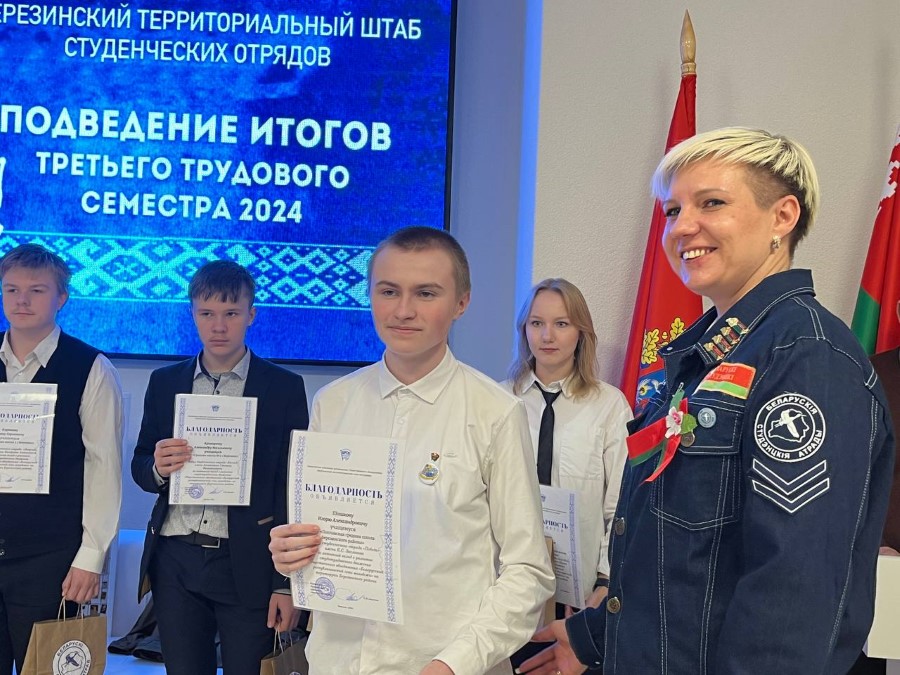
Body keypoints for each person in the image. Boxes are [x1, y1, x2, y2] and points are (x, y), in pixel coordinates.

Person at [520, 127, 895, 674]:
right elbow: (684, 557)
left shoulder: (807, 358)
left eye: (711, 203)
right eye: (673, 210)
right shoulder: (706, 358)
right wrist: (593, 637)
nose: (681, 227)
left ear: (782, 216)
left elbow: (793, 593)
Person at [269, 226, 555, 674]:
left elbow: (528, 570)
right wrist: (292, 554)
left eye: (425, 293)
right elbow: (324, 538)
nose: (403, 310)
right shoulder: (333, 403)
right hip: (338, 661)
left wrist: (453, 663)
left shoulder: (495, 413)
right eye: (388, 291)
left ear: (461, 302)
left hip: (445, 665)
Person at [131, 260, 308, 675]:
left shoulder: (283, 387)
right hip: (175, 557)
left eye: (231, 313)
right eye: (207, 313)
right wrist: (158, 467)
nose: (219, 326)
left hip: (246, 559)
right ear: (193, 314)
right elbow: (140, 465)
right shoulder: (165, 381)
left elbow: (292, 487)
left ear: (251, 314)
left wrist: (287, 585)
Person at [0, 243, 123, 674]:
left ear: (62, 298)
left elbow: (104, 467)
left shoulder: (91, 367)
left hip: (50, 560)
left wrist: (91, 556)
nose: (21, 300)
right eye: (11, 289)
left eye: (36, 290)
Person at [504, 279, 630, 667]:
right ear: (524, 330)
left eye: (561, 324)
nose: (547, 336)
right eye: (536, 323)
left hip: (581, 597)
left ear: (581, 332)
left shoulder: (609, 406)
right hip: (507, 586)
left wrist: (605, 581)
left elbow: (620, 506)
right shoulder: (497, 400)